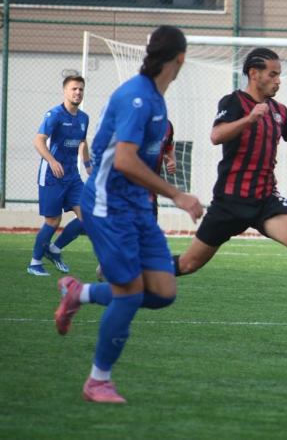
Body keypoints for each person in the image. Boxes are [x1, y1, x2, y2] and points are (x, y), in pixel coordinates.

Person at [53, 25, 204, 404]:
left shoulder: (156, 99)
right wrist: (177, 195)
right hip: (108, 207)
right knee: (130, 294)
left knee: (164, 292)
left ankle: (80, 292)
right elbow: (123, 160)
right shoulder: (137, 96)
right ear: (181, 58)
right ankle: (97, 381)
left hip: (137, 207)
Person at [171, 47, 287, 342]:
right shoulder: (233, 102)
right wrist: (248, 119)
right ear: (254, 74)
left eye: (279, 75)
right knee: (188, 264)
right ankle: (128, 269)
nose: (278, 81)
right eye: (272, 75)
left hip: (266, 201)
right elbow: (216, 136)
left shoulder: (280, 111)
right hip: (230, 203)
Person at [95, 120, 176, 282]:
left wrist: (171, 161)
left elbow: (168, 149)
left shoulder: (167, 126)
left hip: (150, 192)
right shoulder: (134, 121)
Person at [28, 75, 92, 276]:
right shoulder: (54, 114)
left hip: (72, 177)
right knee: (53, 221)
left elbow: (82, 143)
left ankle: (54, 250)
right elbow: (39, 140)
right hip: (52, 176)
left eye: (81, 89)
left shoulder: (84, 118)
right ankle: (35, 263)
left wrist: (88, 165)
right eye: (74, 89)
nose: (78, 92)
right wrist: (52, 161)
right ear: (64, 91)